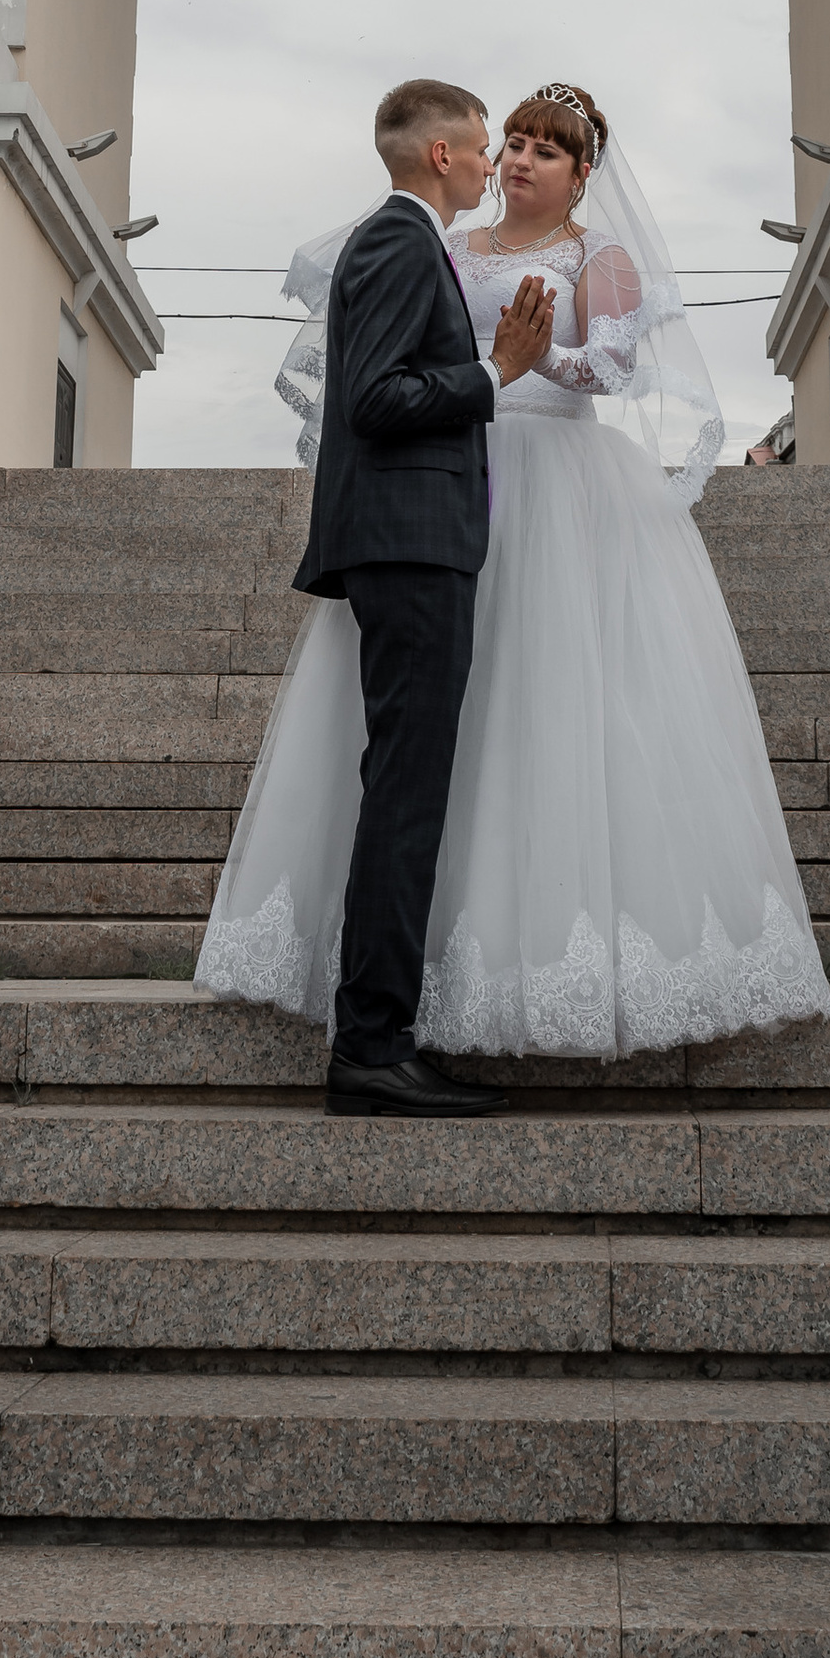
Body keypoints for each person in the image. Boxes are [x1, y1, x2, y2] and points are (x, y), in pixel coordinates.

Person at [198, 78, 830, 1067]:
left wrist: (533, 361)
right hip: (452, 486)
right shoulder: (438, 248)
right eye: (518, 141)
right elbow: (396, 366)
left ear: (585, 174)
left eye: (548, 147)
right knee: (431, 737)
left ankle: (533, 960)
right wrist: (497, 366)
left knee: (559, 703)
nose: (523, 158)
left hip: (565, 487)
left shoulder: (598, 254)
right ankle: (399, 991)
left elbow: (613, 364)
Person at [272, 77, 554, 1120]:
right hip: (410, 543)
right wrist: (495, 372)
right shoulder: (396, 241)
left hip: (414, 541)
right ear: (439, 154)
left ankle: (377, 1033)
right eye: (482, 147)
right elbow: (376, 398)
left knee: (408, 787)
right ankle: (373, 1042)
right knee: (405, 791)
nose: (492, 164)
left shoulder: (402, 239)